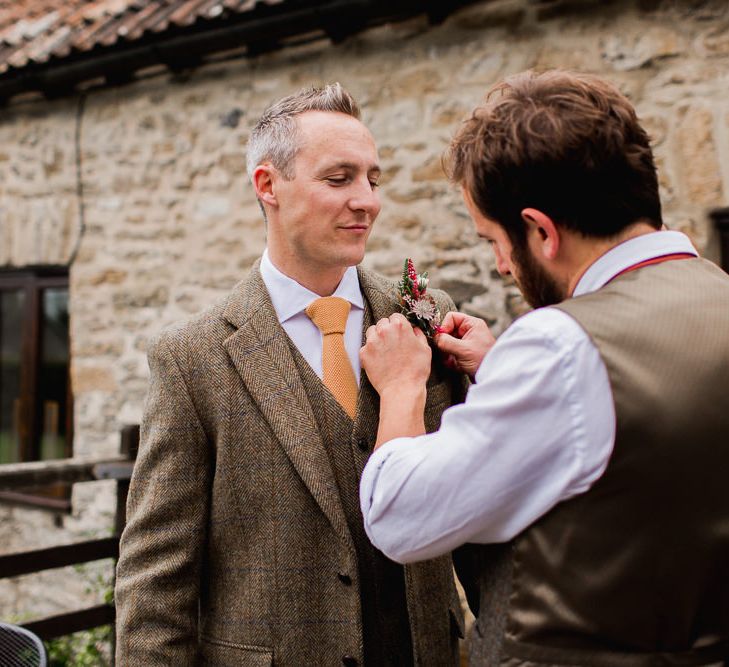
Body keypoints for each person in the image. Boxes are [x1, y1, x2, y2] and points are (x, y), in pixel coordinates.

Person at [358, 70, 729, 664]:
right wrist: (505, 367)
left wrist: (402, 387)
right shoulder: (716, 294)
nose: (503, 266)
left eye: (492, 241)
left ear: (540, 231)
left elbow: (400, 515)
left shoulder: (560, 346)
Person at [115, 83, 468, 666]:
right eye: (339, 179)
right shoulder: (192, 358)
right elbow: (156, 584)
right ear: (268, 185)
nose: (367, 202)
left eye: (372, 181)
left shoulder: (421, 320)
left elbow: (471, 506)